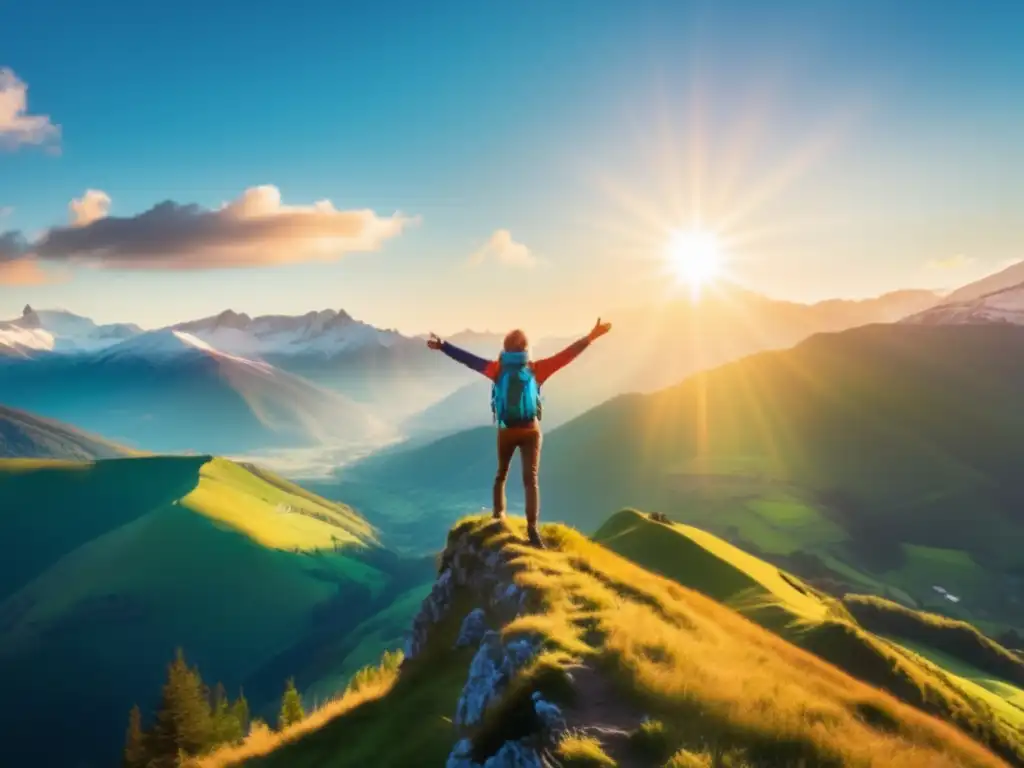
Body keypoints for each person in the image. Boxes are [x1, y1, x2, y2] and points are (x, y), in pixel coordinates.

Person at [427, 318, 612, 548]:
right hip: (530, 429)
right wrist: (591, 336)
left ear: (505, 348)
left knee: (501, 474)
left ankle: (498, 516)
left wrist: (443, 345)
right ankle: (532, 530)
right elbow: (567, 356)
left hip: (506, 429)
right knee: (530, 480)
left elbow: (469, 360)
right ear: (526, 348)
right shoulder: (536, 369)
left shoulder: (496, 369)